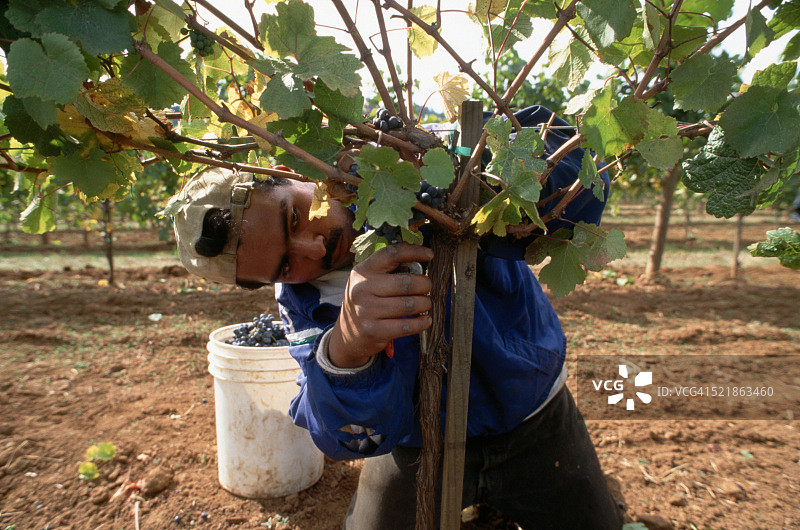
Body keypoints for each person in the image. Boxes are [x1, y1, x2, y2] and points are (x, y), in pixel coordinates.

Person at [173, 106, 624, 529]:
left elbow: (568, 157)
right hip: (420, 445)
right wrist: (345, 351)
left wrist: (457, 171)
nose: (314, 248)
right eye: (286, 266)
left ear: (294, 173)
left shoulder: (410, 160)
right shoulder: (305, 303)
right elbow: (345, 436)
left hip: (534, 414)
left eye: (294, 218)